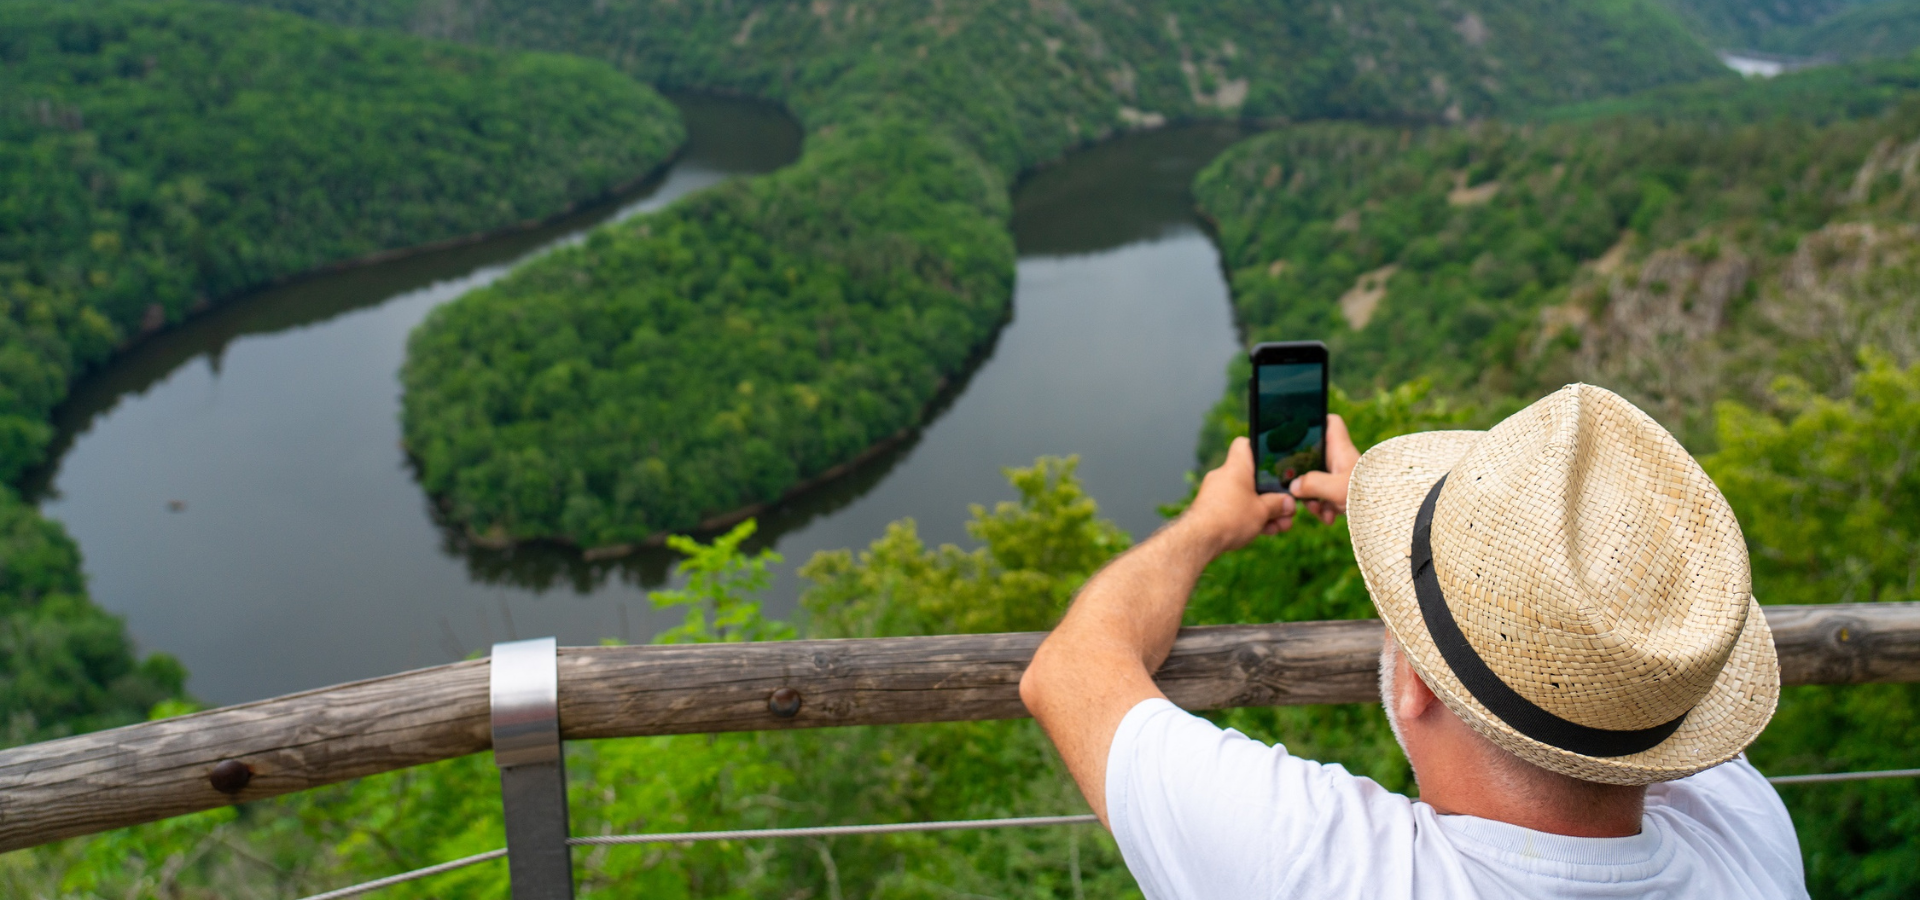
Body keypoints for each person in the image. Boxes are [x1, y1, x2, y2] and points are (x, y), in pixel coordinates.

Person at [1020, 384, 1808, 898]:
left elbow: (1069, 672)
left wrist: (1206, 527)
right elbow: (1623, 631)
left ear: (1416, 684)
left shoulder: (1318, 866)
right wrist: (1422, 539)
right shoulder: (1749, 843)